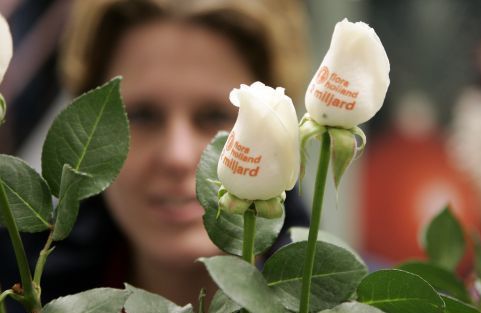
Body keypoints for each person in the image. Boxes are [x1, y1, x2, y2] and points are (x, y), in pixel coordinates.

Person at [0, 0, 310, 311]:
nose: (177, 156)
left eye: (214, 115)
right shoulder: (19, 289)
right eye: (143, 116)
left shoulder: (346, 298)